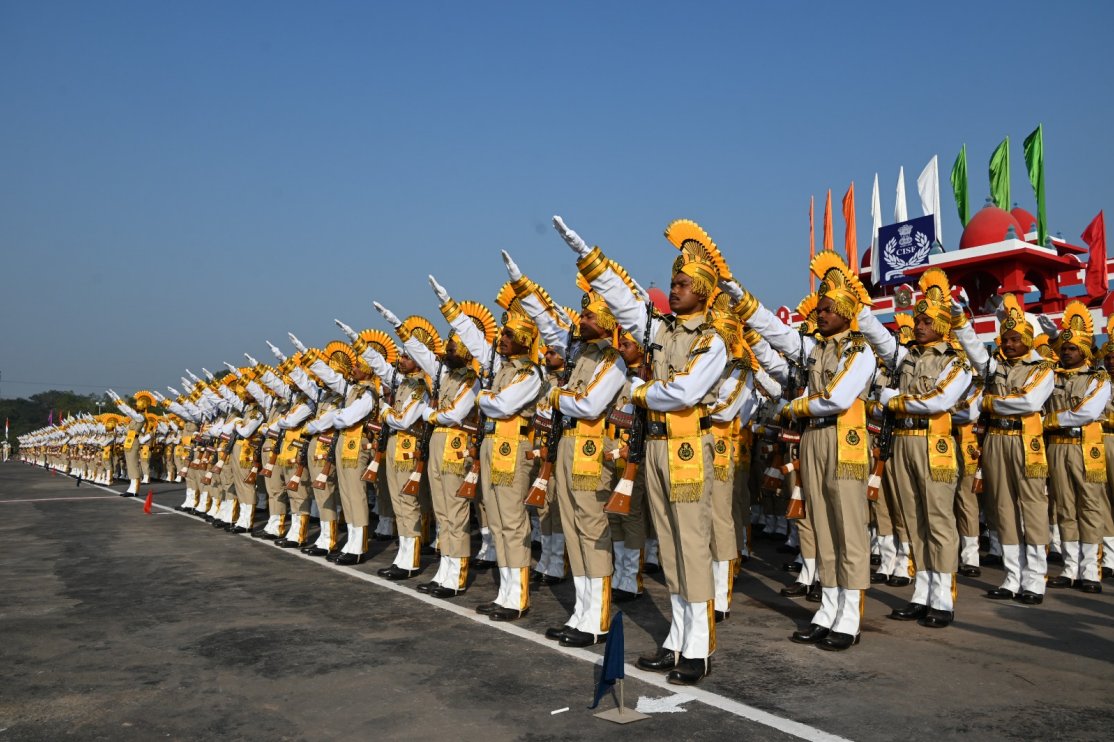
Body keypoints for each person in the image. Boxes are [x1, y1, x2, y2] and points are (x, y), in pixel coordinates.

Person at [556, 216, 728, 683]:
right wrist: (587, 256)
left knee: (691, 544)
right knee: (670, 547)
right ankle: (677, 637)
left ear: (704, 291)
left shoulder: (712, 340)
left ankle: (699, 645)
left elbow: (684, 394)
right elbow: (622, 301)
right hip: (654, 448)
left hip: (688, 447)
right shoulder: (661, 330)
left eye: (682, 284)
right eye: (672, 284)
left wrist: (638, 393)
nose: (673, 291)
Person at [725, 249, 876, 651]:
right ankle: (828, 607)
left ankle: (850, 616)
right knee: (822, 527)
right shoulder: (818, 349)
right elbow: (776, 332)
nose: (820, 315)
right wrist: (735, 291)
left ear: (846, 311)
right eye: (820, 309)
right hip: (814, 439)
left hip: (843, 440)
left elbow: (838, 398)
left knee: (847, 529)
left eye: (828, 309)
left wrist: (795, 406)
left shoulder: (860, 350)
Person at [858, 268, 972, 628]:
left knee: (938, 522)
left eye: (926, 321)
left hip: (932, 443)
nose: (918, 325)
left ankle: (943, 598)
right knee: (915, 521)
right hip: (903, 443)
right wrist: (859, 304)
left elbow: (937, 402)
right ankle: (922, 593)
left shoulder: (956, 362)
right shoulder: (906, 357)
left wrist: (896, 400)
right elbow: (877, 334)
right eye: (917, 320)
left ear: (942, 325)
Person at [430, 273, 543, 622]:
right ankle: (506, 592)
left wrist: (485, 396)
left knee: (512, 522)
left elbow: (500, 406)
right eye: (503, 333)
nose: (502, 340)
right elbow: (475, 342)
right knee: (496, 520)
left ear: (525, 338)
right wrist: (451, 311)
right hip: (493, 447)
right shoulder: (501, 368)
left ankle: (517, 596)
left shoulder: (531, 373)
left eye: (509, 334)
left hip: (513, 447)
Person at [953, 293, 1054, 604]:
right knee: (1002, 510)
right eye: (1005, 339)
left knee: (1033, 510)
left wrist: (988, 402)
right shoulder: (993, 367)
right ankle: (1012, 578)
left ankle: (1035, 579)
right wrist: (960, 322)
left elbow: (1029, 402)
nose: (1007, 344)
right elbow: (974, 351)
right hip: (996, 441)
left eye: (1014, 339)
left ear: (1027, 339)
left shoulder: (1043, 368)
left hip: (1026, 443)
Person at [1038, 302, 1110, 594]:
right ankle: (1070, 568)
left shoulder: (1098, 378)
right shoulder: (1052, 375)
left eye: (1072, 349)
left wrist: (1051, 419)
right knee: (1065, 507)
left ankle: (1091, 570)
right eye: (1064, 349)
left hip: (1086, 445)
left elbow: (1088, 413)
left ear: (1085, 352)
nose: (1067, 353)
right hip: (1057, 447)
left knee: (1090, 506)